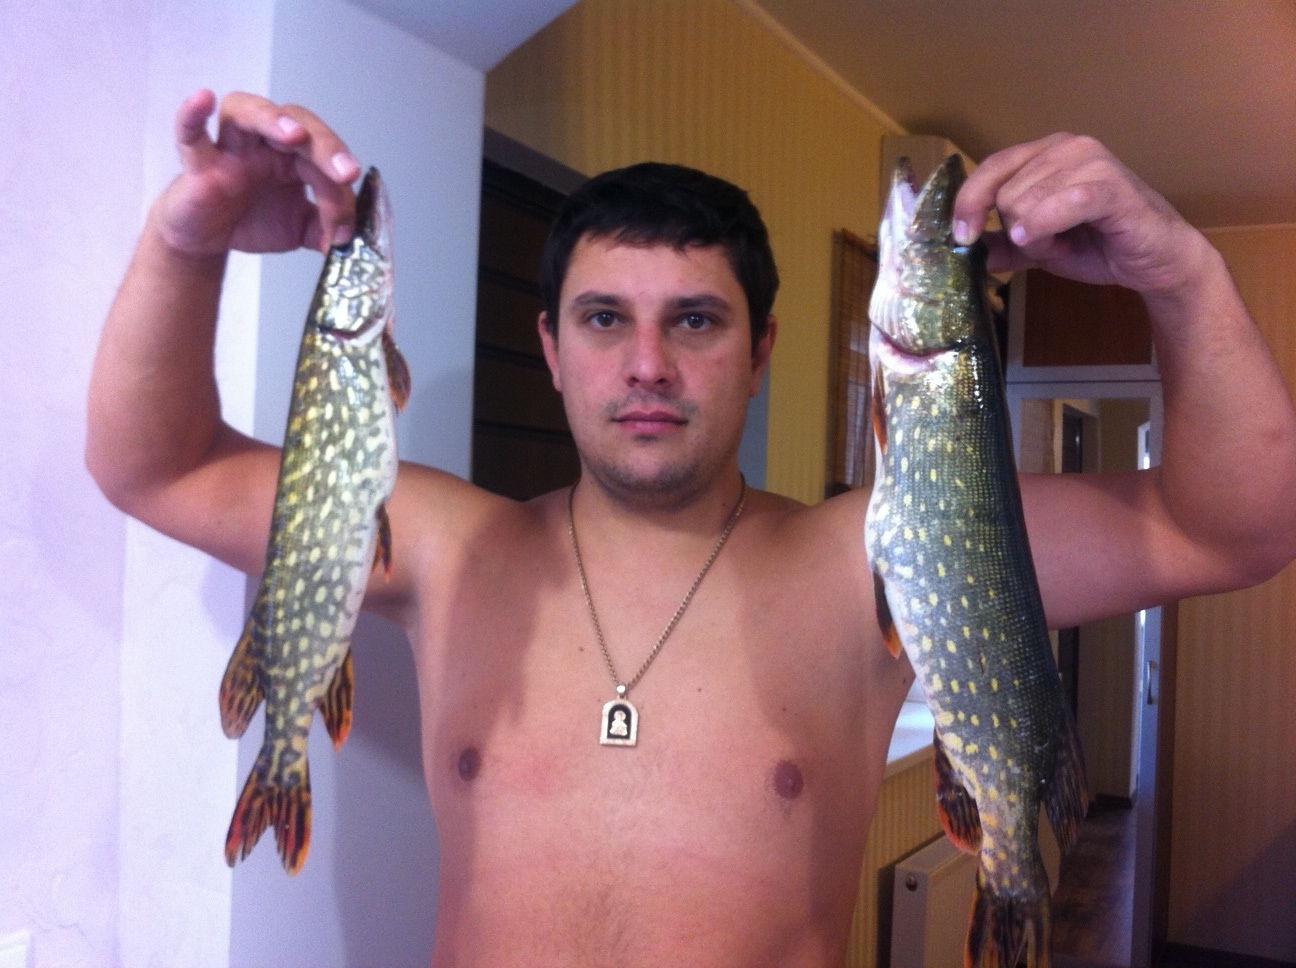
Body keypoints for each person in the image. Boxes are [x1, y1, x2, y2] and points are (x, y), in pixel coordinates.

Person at [87, 89, 1296, 966]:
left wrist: (1179, 271)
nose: (648, 365)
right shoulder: (449, 545)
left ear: (761, 349)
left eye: (697, 321)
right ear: (551, 347)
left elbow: (1233, 526)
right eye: (604, 318)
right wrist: (190, 236)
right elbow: (154, 463)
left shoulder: (880, 548)